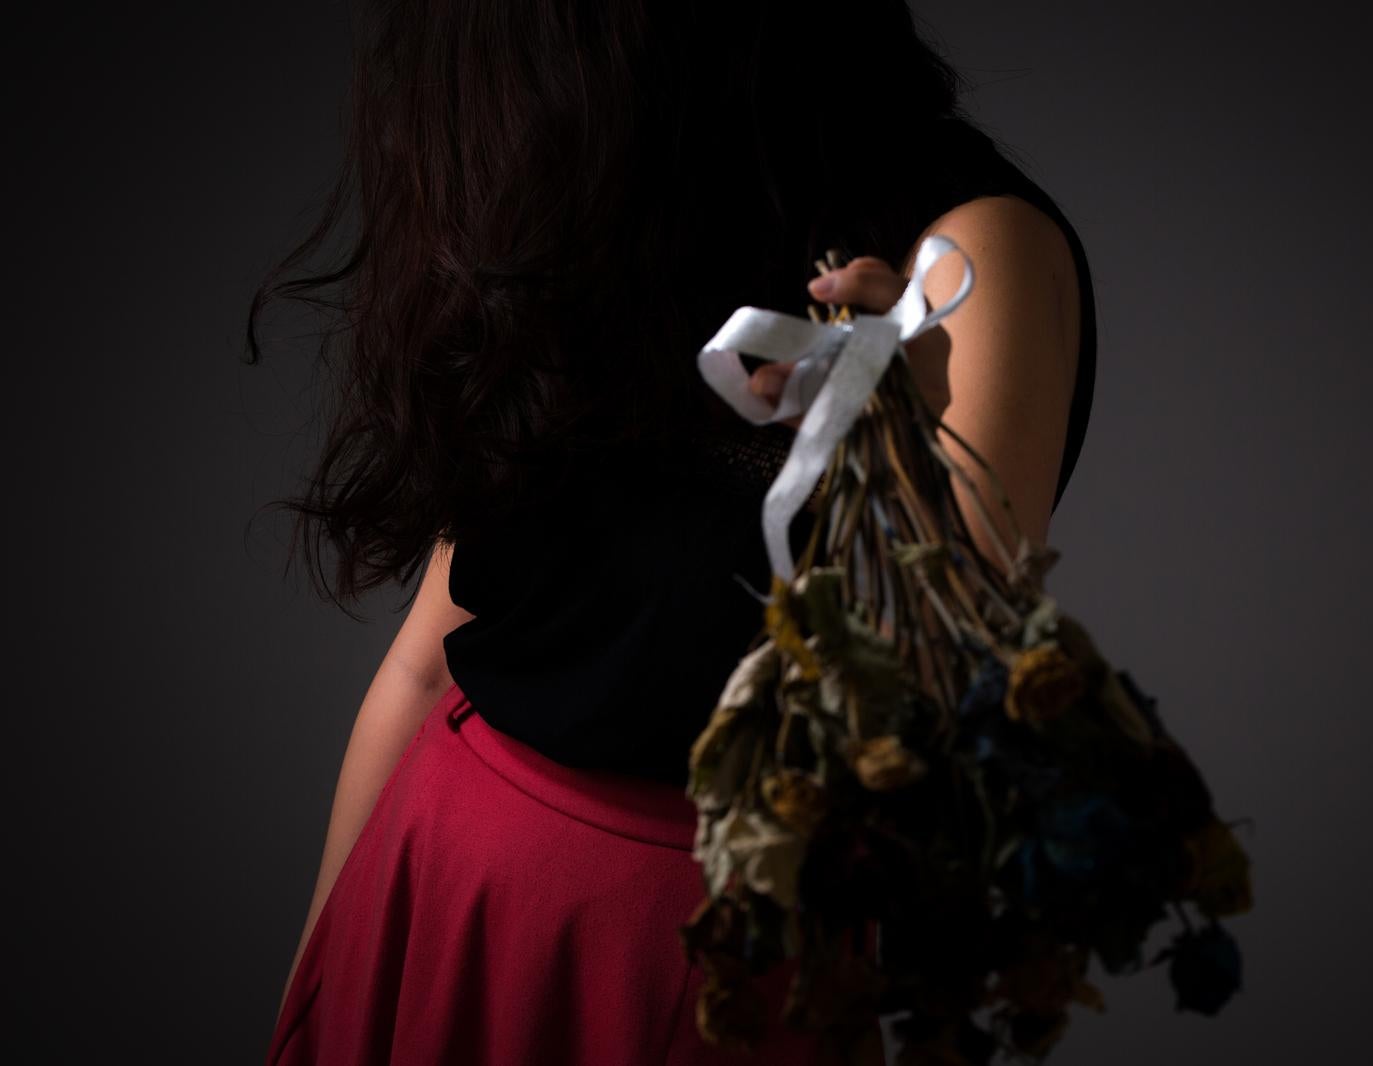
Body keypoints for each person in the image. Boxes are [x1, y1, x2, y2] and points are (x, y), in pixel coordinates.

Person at [248, 1, 1097, 1062]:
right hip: (433, 876)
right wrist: (320, 981)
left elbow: (949, 727)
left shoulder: (964, 248)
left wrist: (898, 460)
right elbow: (428, 656)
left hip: (687, 956)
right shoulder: (605, 191)